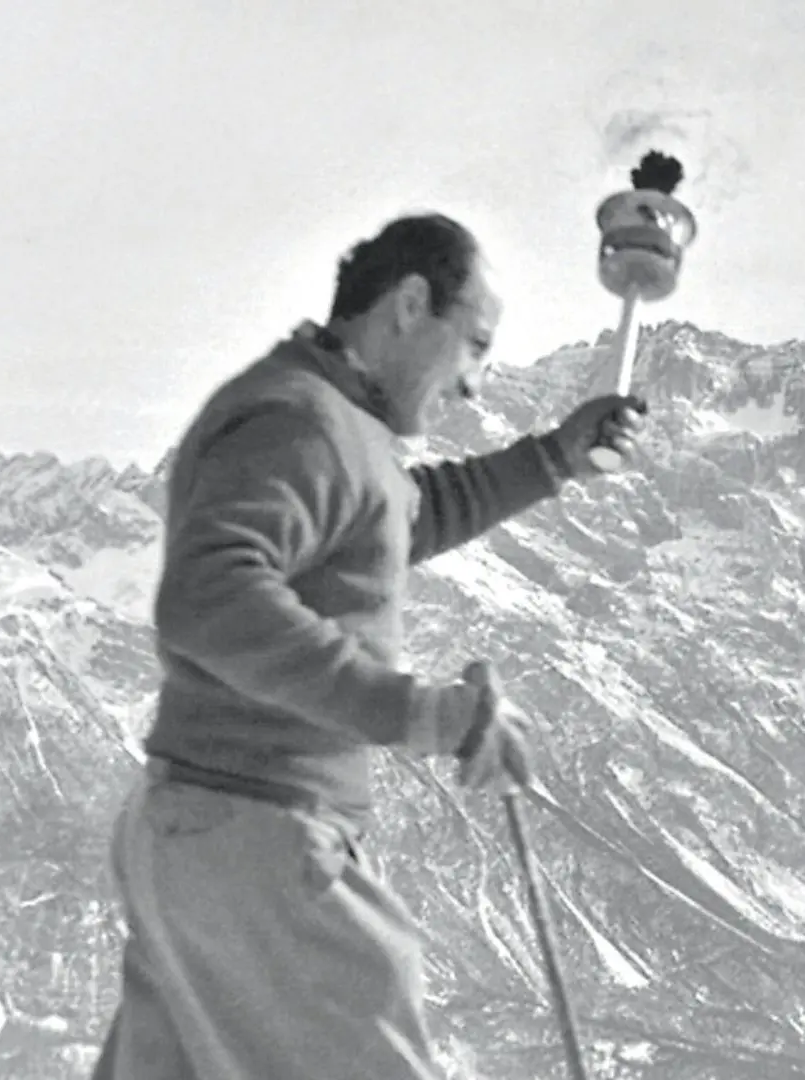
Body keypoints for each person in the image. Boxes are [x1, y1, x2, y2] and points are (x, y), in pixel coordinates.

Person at [92, 213, 646, 1080]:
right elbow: (211, 596)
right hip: (258, 843)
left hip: (198, 834)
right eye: (473, 345)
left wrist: (553, 457)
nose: (473, 383)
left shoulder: (329, 425)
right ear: (409, 303)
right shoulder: (299, 423)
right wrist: (421, 712)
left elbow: (401, 518)